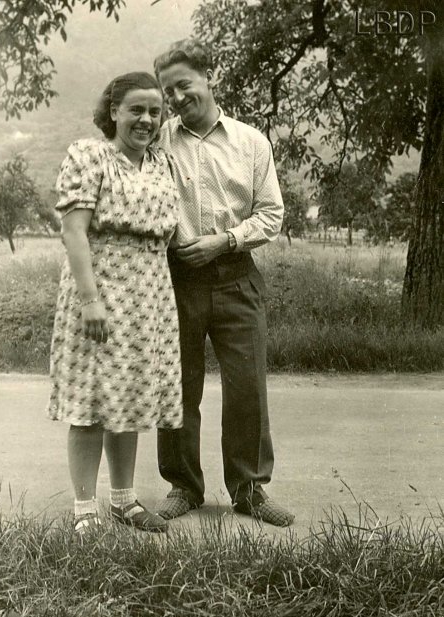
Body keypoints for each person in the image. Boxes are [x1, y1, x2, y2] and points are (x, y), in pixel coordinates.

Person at [153, 40, 295, 527]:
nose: (175, 97)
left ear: (208, 76)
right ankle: (183, 486)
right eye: (167, 90)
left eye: (183, 85)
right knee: (177, 387)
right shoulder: (158, 142)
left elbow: (271, 214)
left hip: (237, 278)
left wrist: (226, 242)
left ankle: (250, 490)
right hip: (178, 280)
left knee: (247, 388)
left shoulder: (252, 142)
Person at [47, 72, 182, 535]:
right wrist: (90, 300)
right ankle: (85, 509)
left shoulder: (162, 164)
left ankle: (124, 500)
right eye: (136, 110)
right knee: (90, 401)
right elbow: (74, 231)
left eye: (154, 111)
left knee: (130, 399)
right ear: (113, 111)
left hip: (150, 296)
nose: (146, 119)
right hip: (99, 291)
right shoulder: (90, 155)